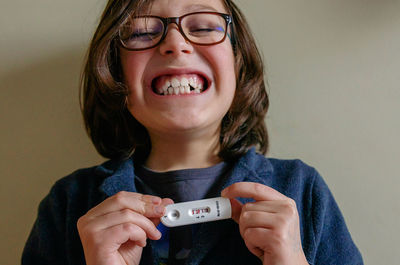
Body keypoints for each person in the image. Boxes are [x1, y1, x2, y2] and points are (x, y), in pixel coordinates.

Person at [22, 0, 363, 264]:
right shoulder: (69, 204)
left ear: (237, 62)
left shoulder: (303, 192)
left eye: (202, 27)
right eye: (142, 32)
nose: (175, 44)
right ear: (116, 71)